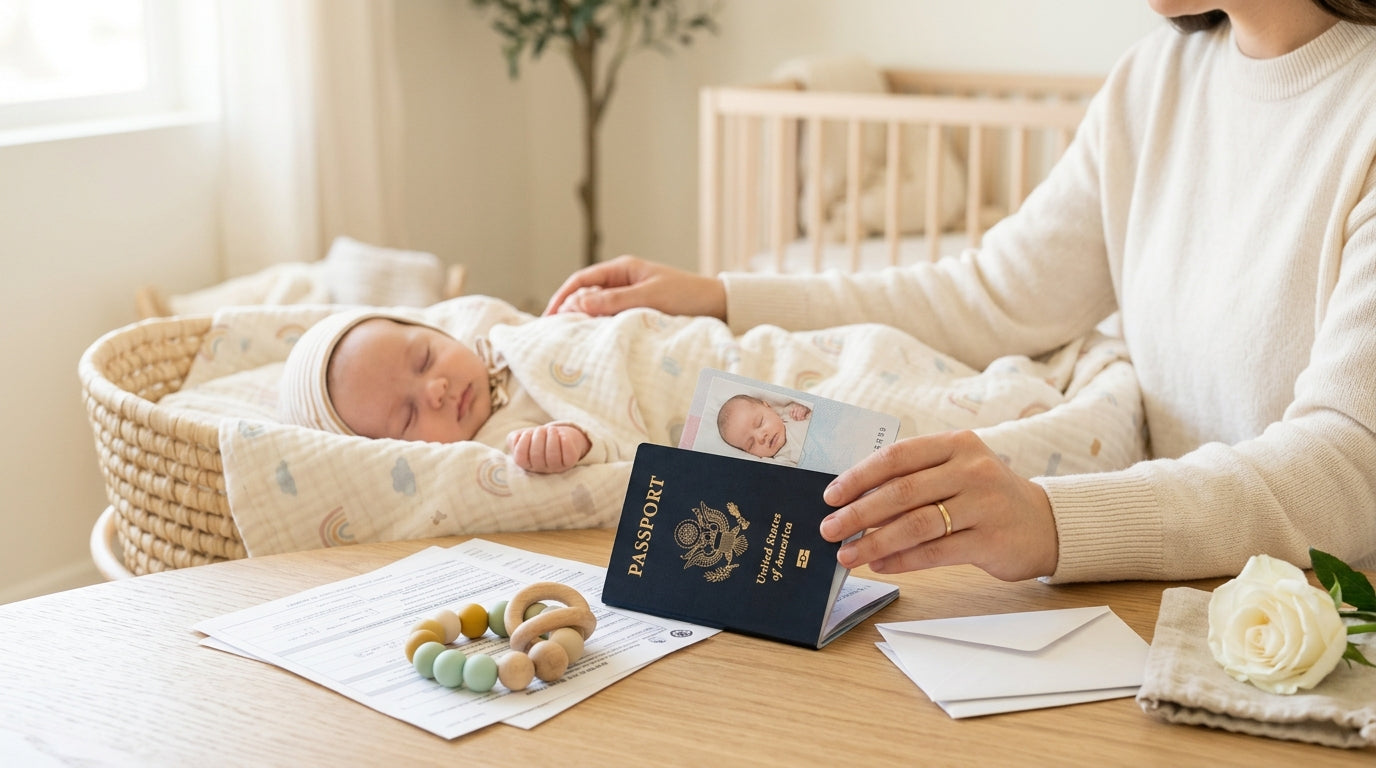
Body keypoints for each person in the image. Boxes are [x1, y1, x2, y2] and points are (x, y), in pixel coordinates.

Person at [544, 0, 1376, 583]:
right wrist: (725, 296)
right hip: (1156, 591)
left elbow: (1344, 467)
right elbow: (992, 294)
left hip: (1313, 622)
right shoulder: (1157, 77)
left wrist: (1051, 523)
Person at [279, 308, 598, 474]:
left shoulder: (500, 338)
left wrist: (580, 317)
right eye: (408, 416)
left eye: (424, 359)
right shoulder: (494, 454)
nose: (435, 390)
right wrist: (571, 444)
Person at [716, 393, 812, 465]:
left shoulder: (791, 413)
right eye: (751, 444)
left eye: (760, 423)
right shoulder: (782, 460)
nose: (761, 437)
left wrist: (804, 409)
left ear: (769, 407)